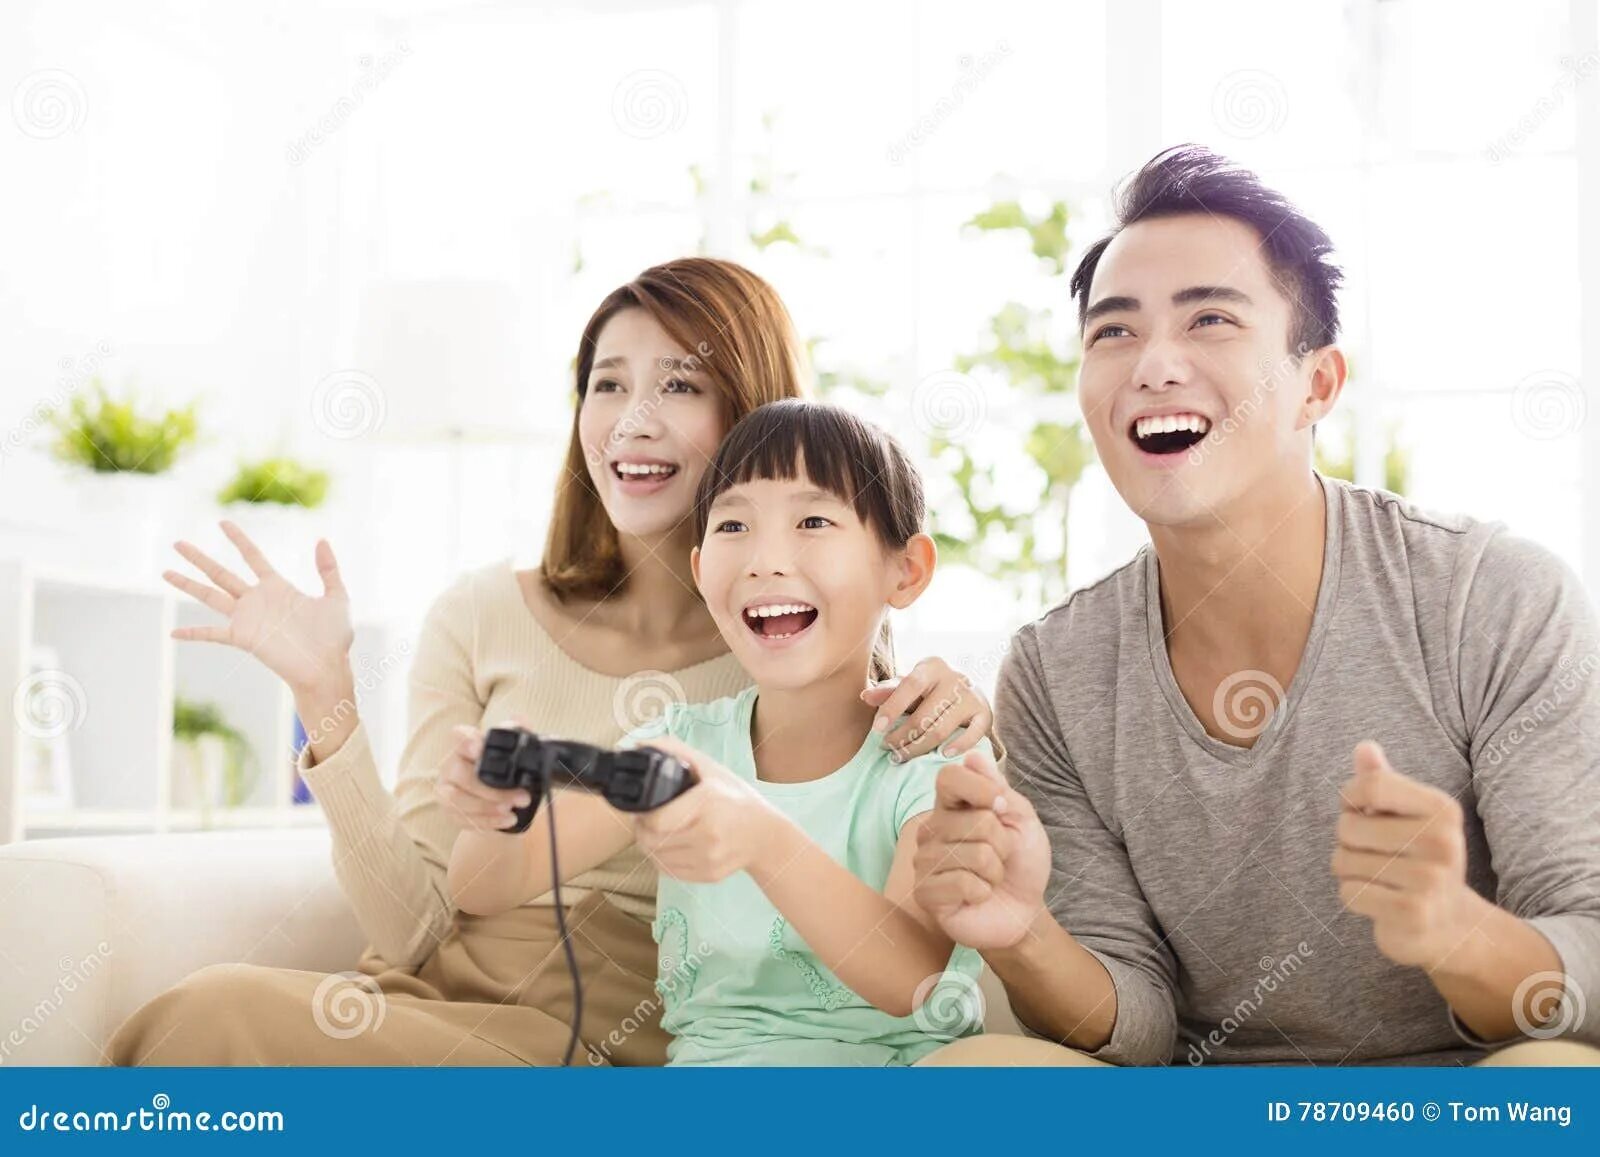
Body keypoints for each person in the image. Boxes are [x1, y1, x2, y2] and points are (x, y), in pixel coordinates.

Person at [107, 258, 992, 1066]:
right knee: (204, 1017)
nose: (633, 420)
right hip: (425, 1006)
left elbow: (884, 779)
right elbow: (425, 920)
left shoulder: (785, 647)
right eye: (607, 383)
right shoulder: (489, 617)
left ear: (748, 411)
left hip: (609, 1041)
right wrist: (325, 696)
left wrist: (960, 703)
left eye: (680, 383)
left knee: (216, 1020)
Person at [913, 146, 1600, 1067]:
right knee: (969, 1071)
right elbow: (1140, 1026)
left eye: (1209, 319)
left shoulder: (1492, 595)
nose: (1154, 363)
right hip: (1202, 1110)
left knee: (1554, 1077)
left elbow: (1588, 958)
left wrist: (1455, 931)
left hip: (1451, 1100)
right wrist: (1022, 935)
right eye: (1114, 332)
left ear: (1316, 383)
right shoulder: (1054, 669)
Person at [449, 400, 990, 1066]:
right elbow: (485, 887)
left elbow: (915, 978)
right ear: (702, 570)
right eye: (735, 524)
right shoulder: (679, 748)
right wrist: (495, 813)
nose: (765, 560)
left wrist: (761, 837)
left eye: (813, 520)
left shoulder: (932, 756)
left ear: (906, 569)